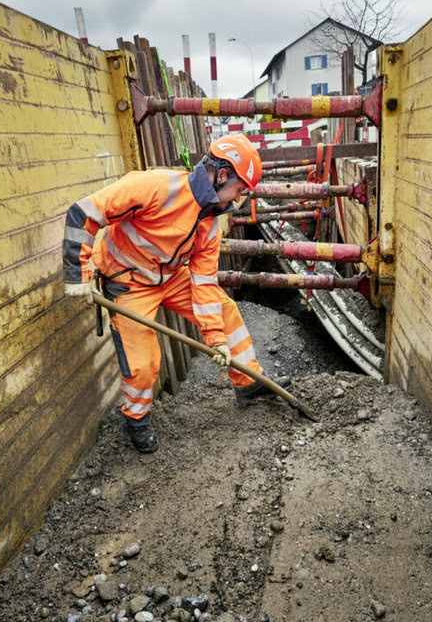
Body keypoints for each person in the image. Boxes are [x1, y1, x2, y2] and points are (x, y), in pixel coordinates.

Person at [63, 134, 291, 453]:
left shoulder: (209, 224)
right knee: (143, 364)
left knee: (224, 314)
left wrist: (217, 340)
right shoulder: (156, 186)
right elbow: (83, 213)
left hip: (169, 277)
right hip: (127, 282)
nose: (238, 200)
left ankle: (250, 383)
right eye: (239, 190)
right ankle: (137, 418)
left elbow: (204, 284)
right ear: (222, 174)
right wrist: (79, 273)